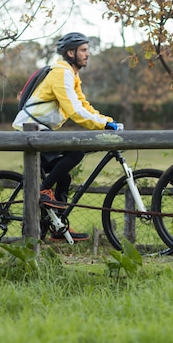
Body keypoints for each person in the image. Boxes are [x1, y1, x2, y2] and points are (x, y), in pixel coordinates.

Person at [12, 32, 120, 242]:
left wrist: (106, 120)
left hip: (40, 130)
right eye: (83, 50)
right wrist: (103, 124)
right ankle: (41, 191)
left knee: (65, 177)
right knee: (75, 152)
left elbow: (83, 105)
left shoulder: (71, 75)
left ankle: (57, 226)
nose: (88, 54)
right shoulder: (61, 74)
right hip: (31, 130)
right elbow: (74, 111)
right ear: (71, 53)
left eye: (87, 50)